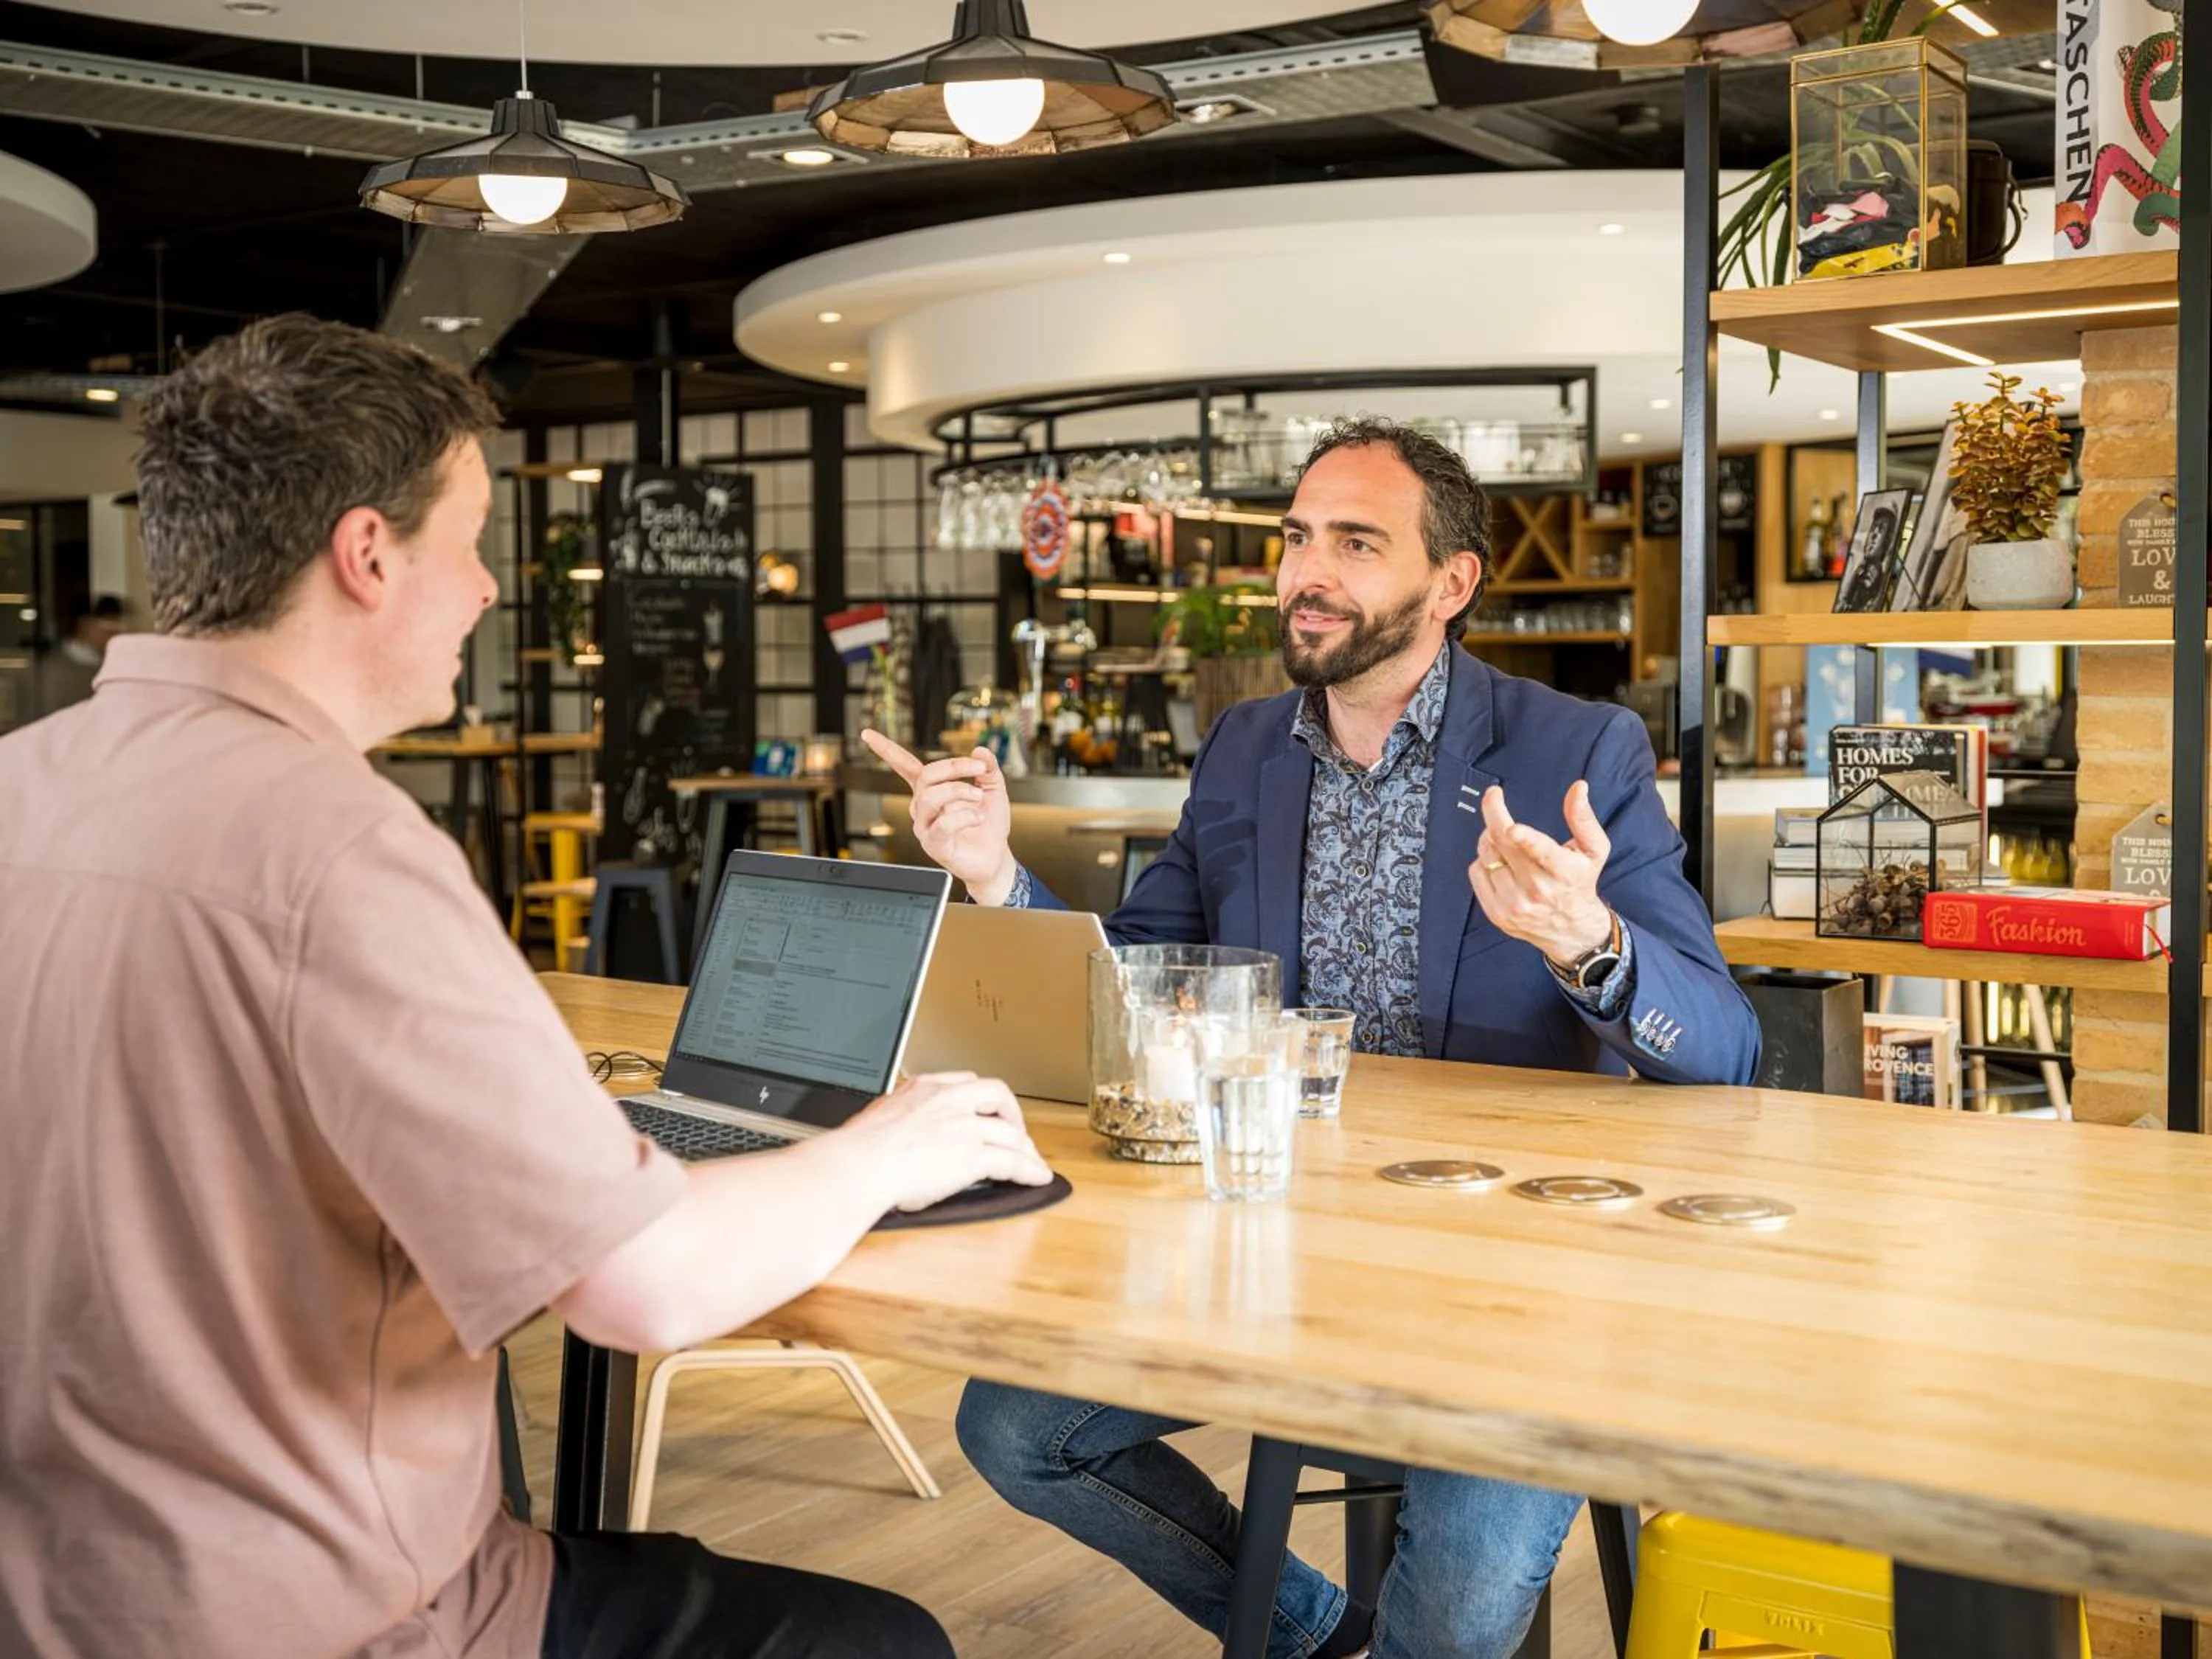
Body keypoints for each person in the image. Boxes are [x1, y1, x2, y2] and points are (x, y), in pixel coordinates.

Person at [0, 313, 1052, 1659]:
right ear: (369, 556)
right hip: (320, 1615)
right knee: (882, 1641)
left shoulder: (22, 781)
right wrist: (883, 1149)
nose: (494, 590)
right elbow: (643, 1289)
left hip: (47, 1592)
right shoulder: (340, 852)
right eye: (474, 543)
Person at [865, 416, 1761, 1659]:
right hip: (1271, 1247)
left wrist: (1587, 939)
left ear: (1452, 583)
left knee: (1448, 1628)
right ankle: (1315, 1639)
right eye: (1296, 539)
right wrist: (995, 876)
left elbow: (1728, 1048)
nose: (1306, 573)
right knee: (1017, 1429)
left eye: (1354, 541)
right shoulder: (1243, 750)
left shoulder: (1575, 750)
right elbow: (1139, 985)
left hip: (1507, 1286)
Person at [32, 592, 128, 715]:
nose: (116, 634)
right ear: (86, 624)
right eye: (109, 626)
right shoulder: (55, 671)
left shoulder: (114, 667)